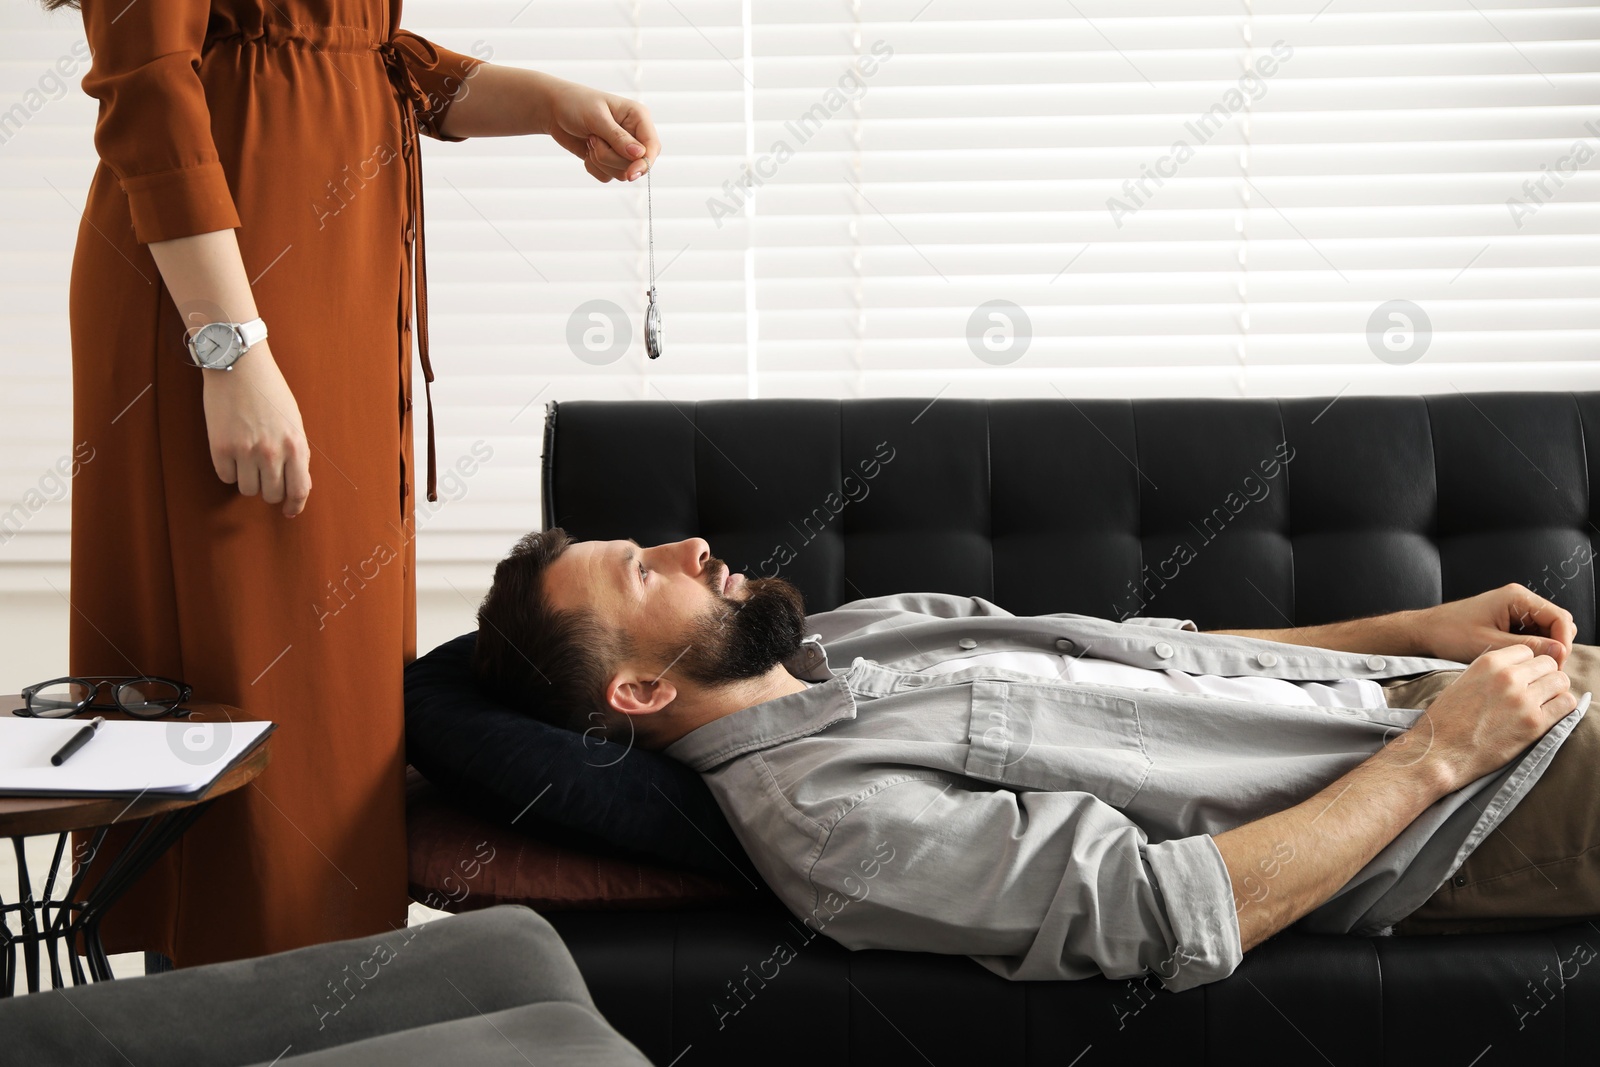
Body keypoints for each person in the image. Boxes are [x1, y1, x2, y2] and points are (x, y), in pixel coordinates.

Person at [52, 0, 660, 967]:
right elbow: (146, 84)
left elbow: (361, 56)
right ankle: (234, 1019)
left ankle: (325, 1012)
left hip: (334, 281)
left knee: (333, 697)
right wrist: (230, 348)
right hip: (222, 297)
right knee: (245, 667)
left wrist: (549, 102)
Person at [470, 529, 1599, 992]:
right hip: (1481, 803)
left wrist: (1415, 631)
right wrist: (1439, 759)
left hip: (1441, 697)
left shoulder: (858, 631)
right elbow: (1175, 909)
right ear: (640, 691)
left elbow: (1162, 659)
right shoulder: (829, 820)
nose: (690, 545)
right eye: (644, 573)